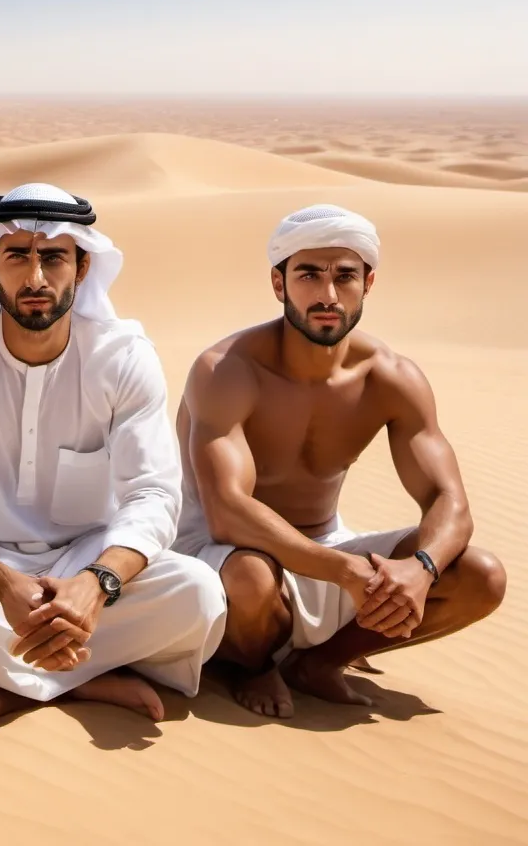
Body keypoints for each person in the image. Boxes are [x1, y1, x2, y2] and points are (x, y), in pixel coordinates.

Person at [0, 183, 227, 735]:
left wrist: (96, 586)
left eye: (53, 258)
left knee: (199, 593)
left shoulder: (123, 357)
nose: (37, 278)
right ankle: (85, 678)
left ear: (84, 267)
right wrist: (5, 586)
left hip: (86, 565)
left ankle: (3, 679)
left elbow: (154, 495)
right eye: (17, 256)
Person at [174, 203, 506, 718]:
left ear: (367, 283)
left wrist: (420, 569)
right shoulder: (226, 370)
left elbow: (449, 499)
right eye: (308, 274)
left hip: (328, 546)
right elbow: (227, 511)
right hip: (220, 550)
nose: (328, 295)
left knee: (481, 575)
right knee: (251, 579)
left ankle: (320, 663)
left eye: (344, 276)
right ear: (279, 284)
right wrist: (347, 572)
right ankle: (251, 662)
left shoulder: (391, 377)